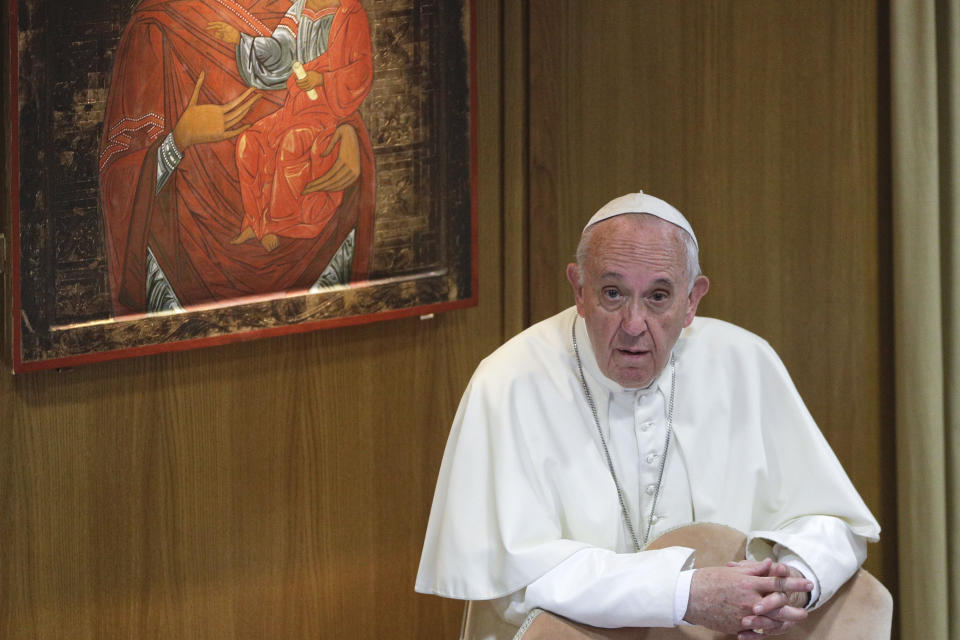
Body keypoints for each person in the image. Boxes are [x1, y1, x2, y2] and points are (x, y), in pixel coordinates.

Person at [415, 192, 880, 638]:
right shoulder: (508, 382)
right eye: (613, 294)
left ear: (693, 300)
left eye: (659, 296)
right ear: (579, 289)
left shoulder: (745, 362)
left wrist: (791, 585)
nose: (634, 324)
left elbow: (833, 521)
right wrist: (680, 593)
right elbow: (515, 575)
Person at [99, 0, 375, 315]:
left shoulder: (312, 6)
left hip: (313, 248)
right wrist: (180, 138)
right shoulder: (158, 23)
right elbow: (120, 172)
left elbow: (336, 80)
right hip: (185, 264)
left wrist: (349, 135)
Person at [207, 0, 373, 253]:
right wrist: (242, 40)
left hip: (328, 110)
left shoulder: (349, 12)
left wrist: (324, 79)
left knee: (291, 144)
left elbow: (361, 70)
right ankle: (256, 220)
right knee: (248, 142)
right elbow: (280, 51)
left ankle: (278, 225)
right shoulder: (299, 8)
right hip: (295, 106)